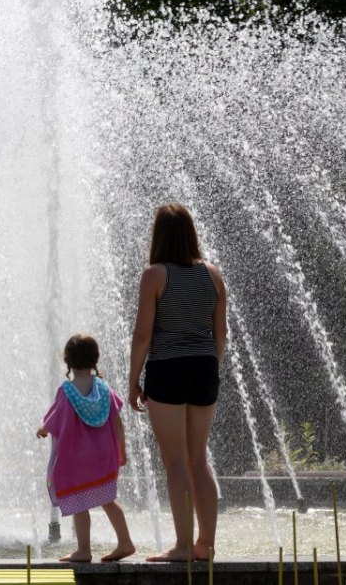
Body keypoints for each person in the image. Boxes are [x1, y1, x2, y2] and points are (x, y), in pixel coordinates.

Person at [126, 203, 227, 563]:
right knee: (199, 460)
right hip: (203, 368)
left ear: (160, 235)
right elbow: (221, 335)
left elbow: (142, 335)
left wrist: (133, 380)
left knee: (176, 463)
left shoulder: (155, 275)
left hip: (168, 368)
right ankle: (206, 545)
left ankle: (183, 547)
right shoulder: (213, 275)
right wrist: (209, 367)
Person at [37, 333, 135, 563]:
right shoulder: (104, 389)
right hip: (103, 456)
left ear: (68, 362)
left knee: (79, 501)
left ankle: (83, 550)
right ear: (95, 359)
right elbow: (117, 421)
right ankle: (125, 541)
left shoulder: (67, 392)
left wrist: (43, 429)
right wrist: (123, 451)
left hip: (78, 459)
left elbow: (54, 420)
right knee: (108, 499)